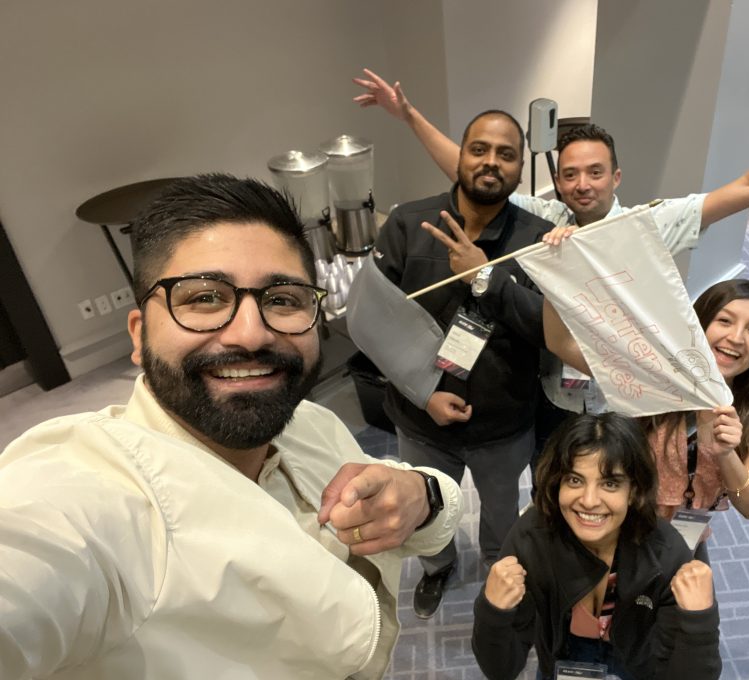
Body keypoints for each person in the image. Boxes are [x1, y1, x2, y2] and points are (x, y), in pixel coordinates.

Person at [0, 174, 462, 680]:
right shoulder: (84, 495)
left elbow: (407, 492)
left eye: (283, 299)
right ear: (139, 334)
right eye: (204, 297)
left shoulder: (310, 423)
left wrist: (424, 495)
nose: (250, 334)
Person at [354, 61, 749, 440]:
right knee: (555, 489)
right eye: (569, 175)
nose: (581, 185)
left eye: (595, 172)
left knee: (623, 494)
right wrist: (409, 116)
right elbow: (476, 173)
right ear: (557, 182)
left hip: (626, 398)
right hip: (553, 394)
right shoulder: (544, 219)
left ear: (616, 176)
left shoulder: (650, 225)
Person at [371, 109, 555, 618]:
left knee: (501, 511)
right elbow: (376, 321)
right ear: (460, 157)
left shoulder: (540, 240)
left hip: (504, 423)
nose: (491, 162)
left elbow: (548, 329)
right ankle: (438, 567)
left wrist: (487, 278)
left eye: (506, 154)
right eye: (479, 149)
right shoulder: (409, 223)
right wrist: (422, 391)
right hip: (421, 418)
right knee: (426, 508)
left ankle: (498, 566)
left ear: (520, 168)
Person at [473, 412, 720, 680]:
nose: (589, 501)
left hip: (634, 657)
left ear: (633, 491)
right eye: (575, 480)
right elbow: (501, 670)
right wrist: (492, 611)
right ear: (557, 483)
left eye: (610, 483)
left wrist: (699, 622)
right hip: (562, 654)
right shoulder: (531, 539)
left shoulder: (665, 554)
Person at [545, 279, 749, 563]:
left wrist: (727, 455)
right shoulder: (657, 374)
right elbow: (560, 343)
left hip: (680, 543)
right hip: (614, 529)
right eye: (725, 321)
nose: (737, 337)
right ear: (697, 324)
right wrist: (553, 275)